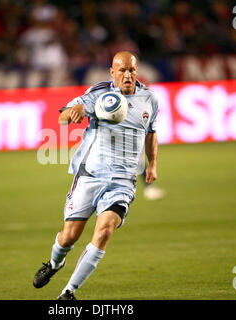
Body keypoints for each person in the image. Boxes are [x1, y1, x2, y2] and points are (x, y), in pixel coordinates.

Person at [33, 51, 159, 300]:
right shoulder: (100, 94)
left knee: (104, 232)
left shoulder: (149, 99)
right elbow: (62, 117)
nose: (127, 75)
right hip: (90, 174)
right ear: (112, 72)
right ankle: (55, 263)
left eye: (131, 70)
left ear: (137, 71)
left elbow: (151, 132)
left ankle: (68, 292)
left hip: (123, 182)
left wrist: (152, 163)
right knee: (69, 236)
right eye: (121, 70)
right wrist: (75, 111)